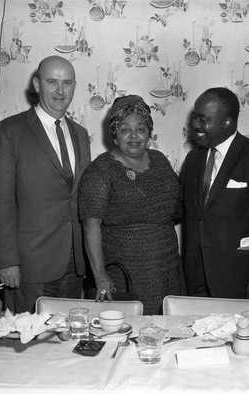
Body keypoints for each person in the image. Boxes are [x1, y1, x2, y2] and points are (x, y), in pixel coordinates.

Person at [0, 56, 91, 313]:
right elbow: (0, 203)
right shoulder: (9, 131)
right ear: (36, 84)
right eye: (52, 81)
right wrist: (7, 261)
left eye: (67, 83)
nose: (60, 90)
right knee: (27, 345)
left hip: (75, 264)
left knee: (67, 342)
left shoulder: (80, 133)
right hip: (30, 266)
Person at [176, 87, 249, 300]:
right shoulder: (193, 160)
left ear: (227, 123)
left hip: (242, 279)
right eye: (194, 118)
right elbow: (180, 210)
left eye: (203, 119)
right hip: (196, 279)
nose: (195, 125)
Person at [78, 95, 185, 315]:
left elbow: (174, 206)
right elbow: (91, 226)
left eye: (141, 129)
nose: (134, 136)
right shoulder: (101, 170)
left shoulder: (160, 161)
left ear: (149, 132)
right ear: (114, 134)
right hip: (125, 271)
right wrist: (100, 275)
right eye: (125, 129)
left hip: (167, 267)